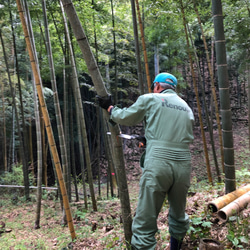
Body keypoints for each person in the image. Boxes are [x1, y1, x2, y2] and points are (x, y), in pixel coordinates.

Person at [97, 72, 194, 250]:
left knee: (146, 217)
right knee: (179, 214)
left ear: (157, 86)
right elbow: (176, 135)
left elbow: (126, 117)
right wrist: (151, 137)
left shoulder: (150, 99)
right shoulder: (185, 106)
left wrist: (110, 108)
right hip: (183, 164)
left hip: (159, 163)